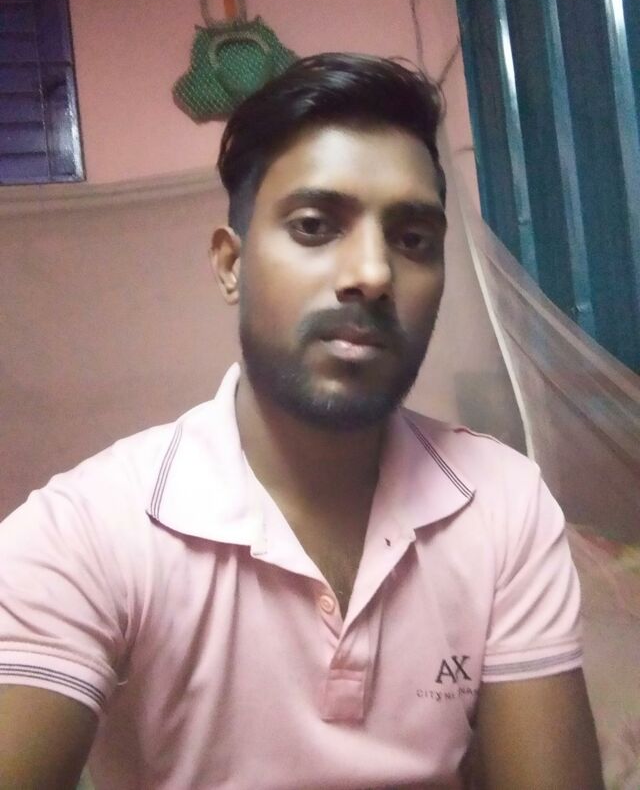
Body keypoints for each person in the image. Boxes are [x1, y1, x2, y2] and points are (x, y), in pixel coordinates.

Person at [0, 54, 604, 790]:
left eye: (413, 239)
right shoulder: (87, 531)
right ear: (230, 265)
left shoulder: (504, 503)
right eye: (315, 226)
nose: (373, 273)